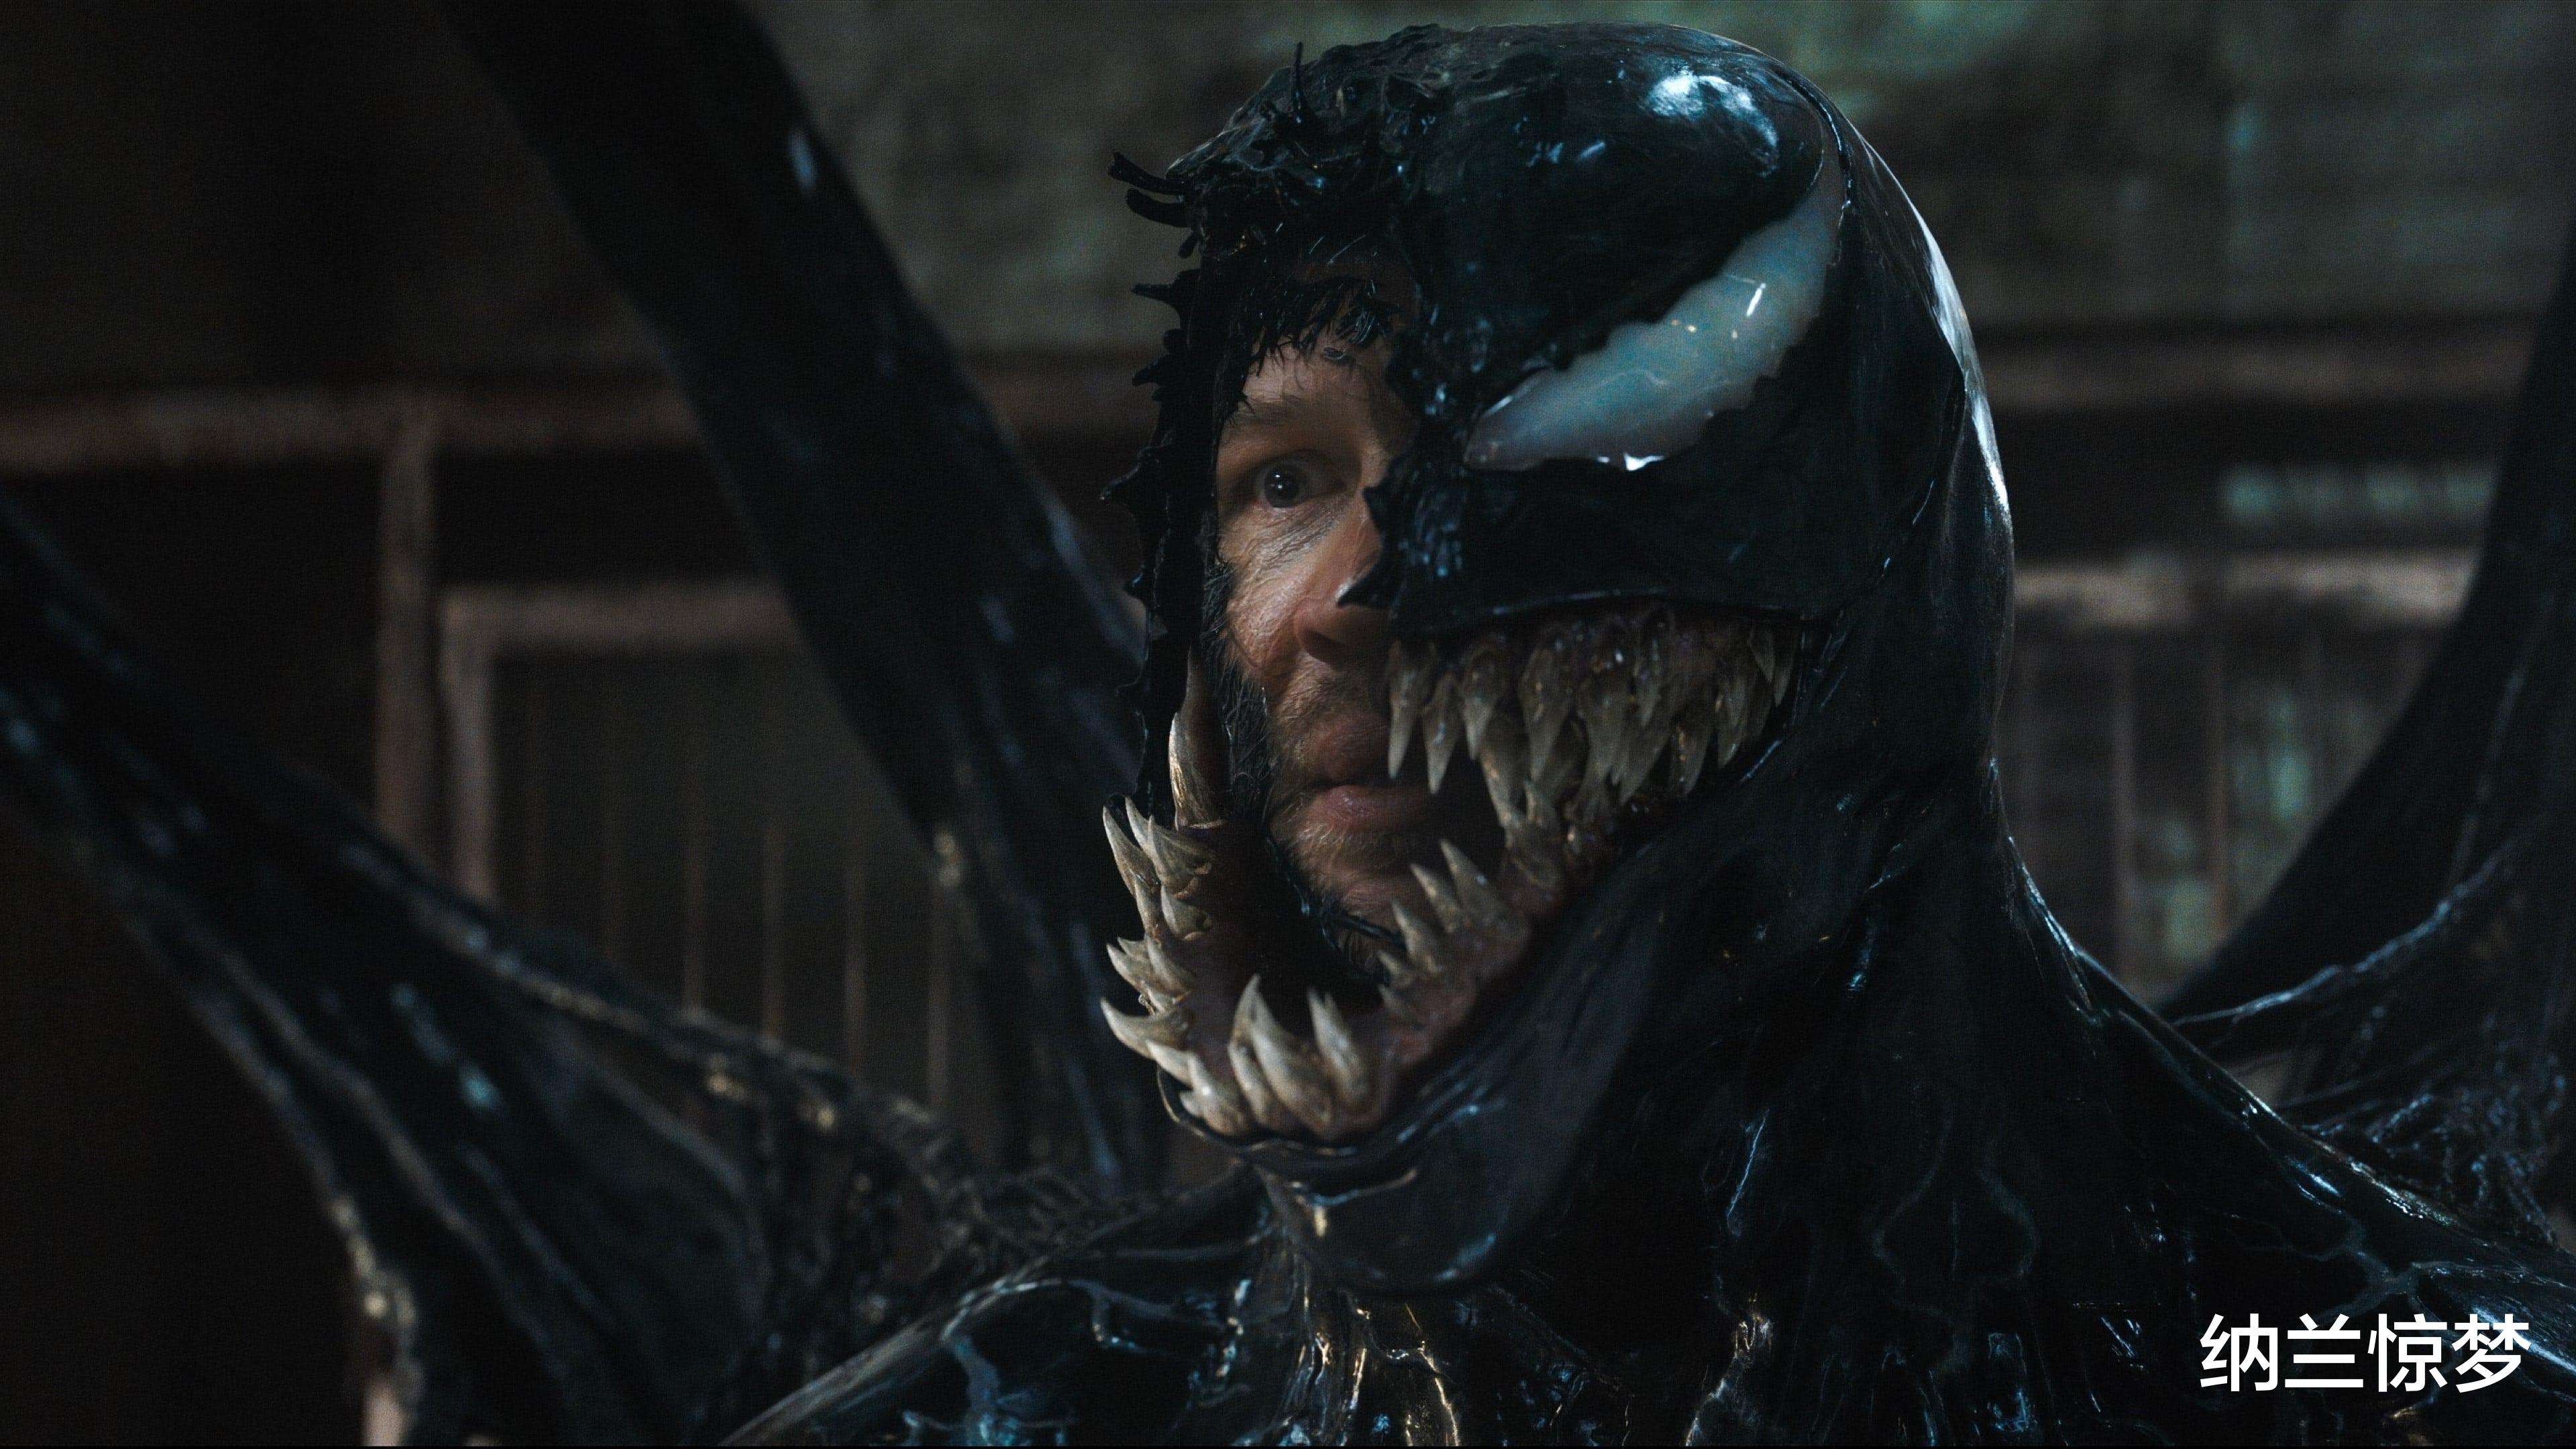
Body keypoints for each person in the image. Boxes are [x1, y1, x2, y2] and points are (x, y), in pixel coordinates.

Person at [7, 11, 2576, 1442]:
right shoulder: (1041, 1409)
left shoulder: (2316, 1347)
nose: (1340, 597)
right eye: (1281, 481)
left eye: (1511, 455)